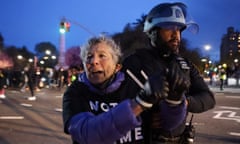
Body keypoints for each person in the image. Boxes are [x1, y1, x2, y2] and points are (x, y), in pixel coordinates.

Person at [122, 2, 216, 143]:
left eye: (178, 30)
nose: (175, 35)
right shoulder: (133, 63)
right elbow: (116, 107)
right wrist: (144, 118)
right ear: (153, 32)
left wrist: (183, 103)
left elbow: (208, 98)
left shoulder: (184, 65)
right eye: (169, 28)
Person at [62, 35, 169, 144]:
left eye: (102, 56)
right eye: (89, 57)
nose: (94, 61)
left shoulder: (135, 85)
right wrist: (139, 104)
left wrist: (176, 99)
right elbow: (88, 135)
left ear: (117, 67)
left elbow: (169, 124)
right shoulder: (74, 92)